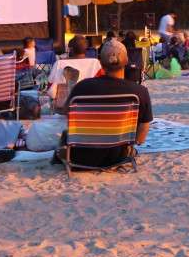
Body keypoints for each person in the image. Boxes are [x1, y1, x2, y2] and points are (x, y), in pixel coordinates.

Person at [57, 39, 154, 169]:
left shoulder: (81, 87)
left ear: (100, 62)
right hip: (119, 157)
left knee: (63, 137)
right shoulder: (140, 92)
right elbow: (141, 138)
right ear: (126, 61)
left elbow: (66, 114)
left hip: (80, 157)